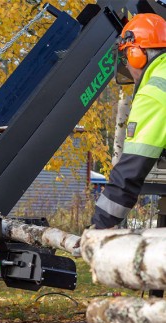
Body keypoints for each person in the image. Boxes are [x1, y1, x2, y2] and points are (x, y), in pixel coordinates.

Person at [91, 13, 166, 229]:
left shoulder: (155, 91)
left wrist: (99, 228)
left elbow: (130, 172)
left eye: (126, 58)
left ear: (136, 54)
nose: (127, 66)